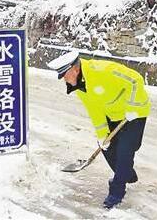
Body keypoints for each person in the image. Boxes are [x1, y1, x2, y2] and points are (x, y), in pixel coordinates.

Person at [47, 51, 150, 209]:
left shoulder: (102, 70)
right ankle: (125, 173)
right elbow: (94, 111)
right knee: (107, 148)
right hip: (113, 115)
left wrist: (132, 106)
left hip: (134, 113)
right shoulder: (80, 86)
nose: (64, 80)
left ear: (75, 69)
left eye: (65, 75)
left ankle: (116, 192)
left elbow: (136, 79)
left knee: (125, 150)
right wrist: (102, 135)